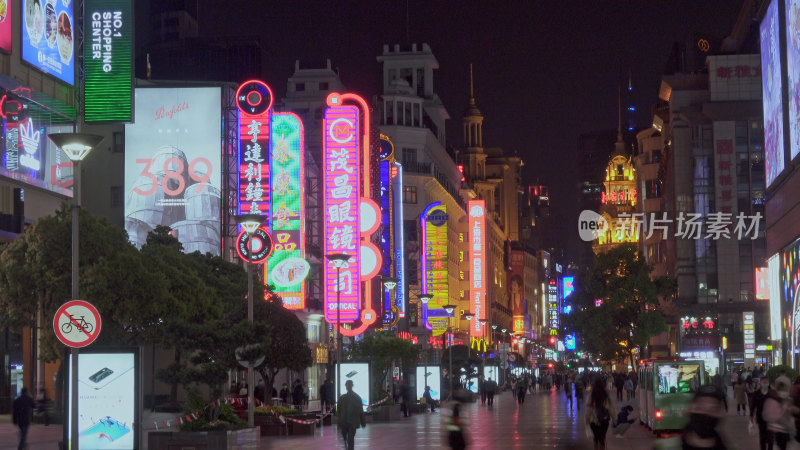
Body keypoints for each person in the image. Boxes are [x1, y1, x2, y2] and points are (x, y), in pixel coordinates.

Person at [763, 380, 796, 450]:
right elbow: (766, 415)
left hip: (786, 430)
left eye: (785, 390)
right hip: (775, 430)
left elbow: (790, 413)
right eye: (782, 390)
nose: (784, 392)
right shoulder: (772, 400)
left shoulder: (788, 400)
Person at [585, 378, 616, 450]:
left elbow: (588, 410)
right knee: (602, 438)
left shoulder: (591, 396)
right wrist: (614, 418)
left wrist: (587, 420)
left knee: (595, 438)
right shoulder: (606, 395)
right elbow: (611, 407)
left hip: (593, 420)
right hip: (604, 419)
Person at [337, 380, 365, 450]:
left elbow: (360, 410)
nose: (348, 387)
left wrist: (362, 421)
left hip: (352, 422)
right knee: (346, 439)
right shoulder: (342, 398)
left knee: (350, 439)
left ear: (351, 386)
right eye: (347, 385)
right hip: (345, 421)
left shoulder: (356, 398)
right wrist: (339, 421)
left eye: (349, 385)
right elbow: (339, 411)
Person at [751, 378, 776, 450]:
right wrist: (751, 415)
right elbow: (753, 405)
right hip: (761, 418)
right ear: (760, 383)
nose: (765, 384)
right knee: (762, 437)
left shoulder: (772, 393)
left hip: (771, 418)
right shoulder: (756, 394)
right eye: (763, 382)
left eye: (766, 382)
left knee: (771, 437)